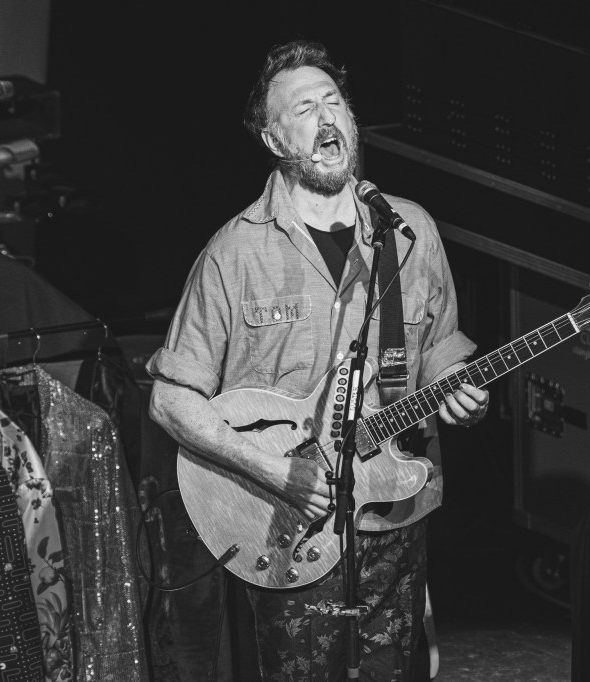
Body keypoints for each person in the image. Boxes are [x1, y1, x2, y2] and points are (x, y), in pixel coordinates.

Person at [146, 39, 489, 681]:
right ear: (275, 140)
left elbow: (441, 348)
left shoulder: (409, 231)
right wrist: (274, 472)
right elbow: (171, 398)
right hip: (287, 523)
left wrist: (459, 389)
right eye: (304, 108)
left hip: (395, 511)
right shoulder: (234, 255)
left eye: (334, 102)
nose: (326, 117)